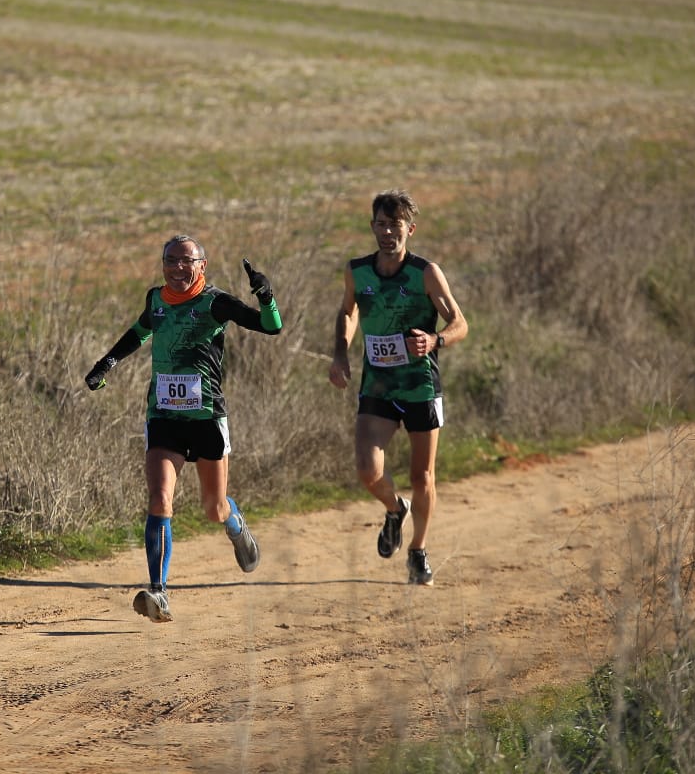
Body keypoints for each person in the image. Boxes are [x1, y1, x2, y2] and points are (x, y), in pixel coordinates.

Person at [85, 235, 283, 622]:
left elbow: (270, 327)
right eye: (170, 261)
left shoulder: (216, 302)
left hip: (207, 419)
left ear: (202, 266)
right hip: (164, 417)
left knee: (213, 508)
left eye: (186, 261)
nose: (178, 268)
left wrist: (266, 295)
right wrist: (106, 363)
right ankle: (159, 593)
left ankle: (236, 524)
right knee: (160, 500)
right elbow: (139, 332)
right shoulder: (156, 300)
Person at [328, 189, 468, 586]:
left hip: (420, 386)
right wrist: (340, 354)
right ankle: (394, 508)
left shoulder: (425, 272)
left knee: (423, 475)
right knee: (366, 469)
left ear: (411, 228)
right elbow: (348, 311)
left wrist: (436, 340)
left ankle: (418, 551)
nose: (388, 232)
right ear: (372, 226)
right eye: (381, 224)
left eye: (396, 225)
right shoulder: (358, 272)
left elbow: (460, 322)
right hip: (378, 386)